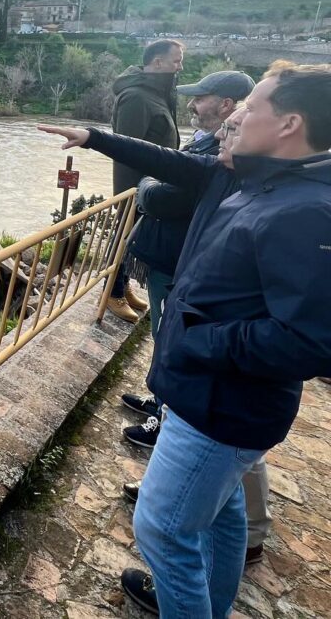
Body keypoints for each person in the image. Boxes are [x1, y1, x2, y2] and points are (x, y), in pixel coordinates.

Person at [38, 61, 331, 619]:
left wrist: (200, 338)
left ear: (289, 124)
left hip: (220, 405)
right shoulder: (258, 178)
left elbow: (311, 342)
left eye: (252, 107)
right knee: (221, 516)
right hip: (209, 394)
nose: (235, 116)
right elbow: (169, 161)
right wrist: (95, 137)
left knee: (162, 529)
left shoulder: (307, 211)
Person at [121, 70, 255, 451]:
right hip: (169, 255)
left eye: (200, 97)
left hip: (175, 259)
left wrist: (145, 185)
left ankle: (163, 418)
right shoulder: (208, 144)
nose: (192, 104)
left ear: (226, 105)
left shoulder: (220, 157)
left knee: (169, 338)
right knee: (162, 334)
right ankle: (159, 401)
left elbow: (162, 197)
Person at [105, 39, 183, 322]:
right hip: (136, 186)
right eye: (176, 61)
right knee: (124, 235)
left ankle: (123, 285)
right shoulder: (136, 97)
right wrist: (131, 194)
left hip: (152, 184)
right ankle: (111, 292)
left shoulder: (158, 93)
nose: (180, 67)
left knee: (134, 237)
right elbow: (126, 150)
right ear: (158, 62)